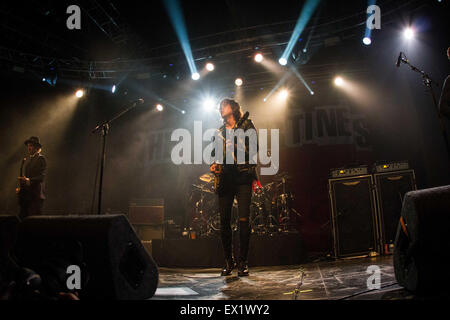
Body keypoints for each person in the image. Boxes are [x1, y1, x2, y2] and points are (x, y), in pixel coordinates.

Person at [210, 98, 258, 277]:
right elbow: (214, 153)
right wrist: (214, 164)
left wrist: (237, 145)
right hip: (225, 179)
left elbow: (255, 148)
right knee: (224, 222)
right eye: (220, 106)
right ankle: (229, 261)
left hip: (243, 177)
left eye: (225, 105)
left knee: (243, 221)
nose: (221, 108)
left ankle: (243, 263)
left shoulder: (246, 125)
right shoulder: (220, 131)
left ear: (234, 108)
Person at [17, 136, 47, 219]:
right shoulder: (28, 160)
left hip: (35, 195)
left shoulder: (41, 159)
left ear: (37, 147)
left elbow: (42, 177)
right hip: (27, 196)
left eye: (31, 145)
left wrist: (28, 180)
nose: (29, 148)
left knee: (34, 219)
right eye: (28, 146)